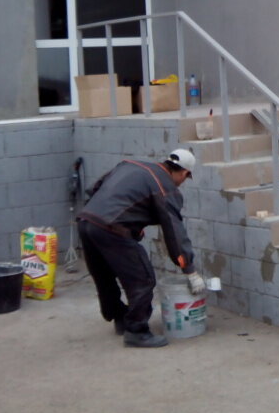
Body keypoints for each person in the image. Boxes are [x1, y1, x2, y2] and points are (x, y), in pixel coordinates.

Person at [77, 148, 205, 348]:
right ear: (184, 172)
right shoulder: (165, 187)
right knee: (143, 280)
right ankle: (137, 331)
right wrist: (189, 269)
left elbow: (96, 189)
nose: (182, 182)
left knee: (104, 276)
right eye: (186, 178)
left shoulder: (130, 165)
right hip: (111, 229)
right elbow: (174, 232)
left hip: (86, 221)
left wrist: (130, 225)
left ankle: (120, 317)